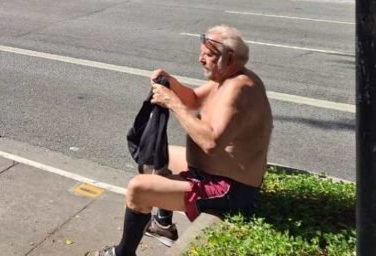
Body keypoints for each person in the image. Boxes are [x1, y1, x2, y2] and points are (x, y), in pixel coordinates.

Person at [88, 25, 273, 256]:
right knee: (153, 156)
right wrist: (171, 83)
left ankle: (122, 253)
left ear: (230, 58)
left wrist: (172, 102)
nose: (200, 59)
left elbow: (211, 144)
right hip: (210, 171)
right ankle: (163, 224)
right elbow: (194, 99)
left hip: (229, 189)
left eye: (208, 55)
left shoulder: (240, 89)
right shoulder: (226, 78)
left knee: (138, 189)